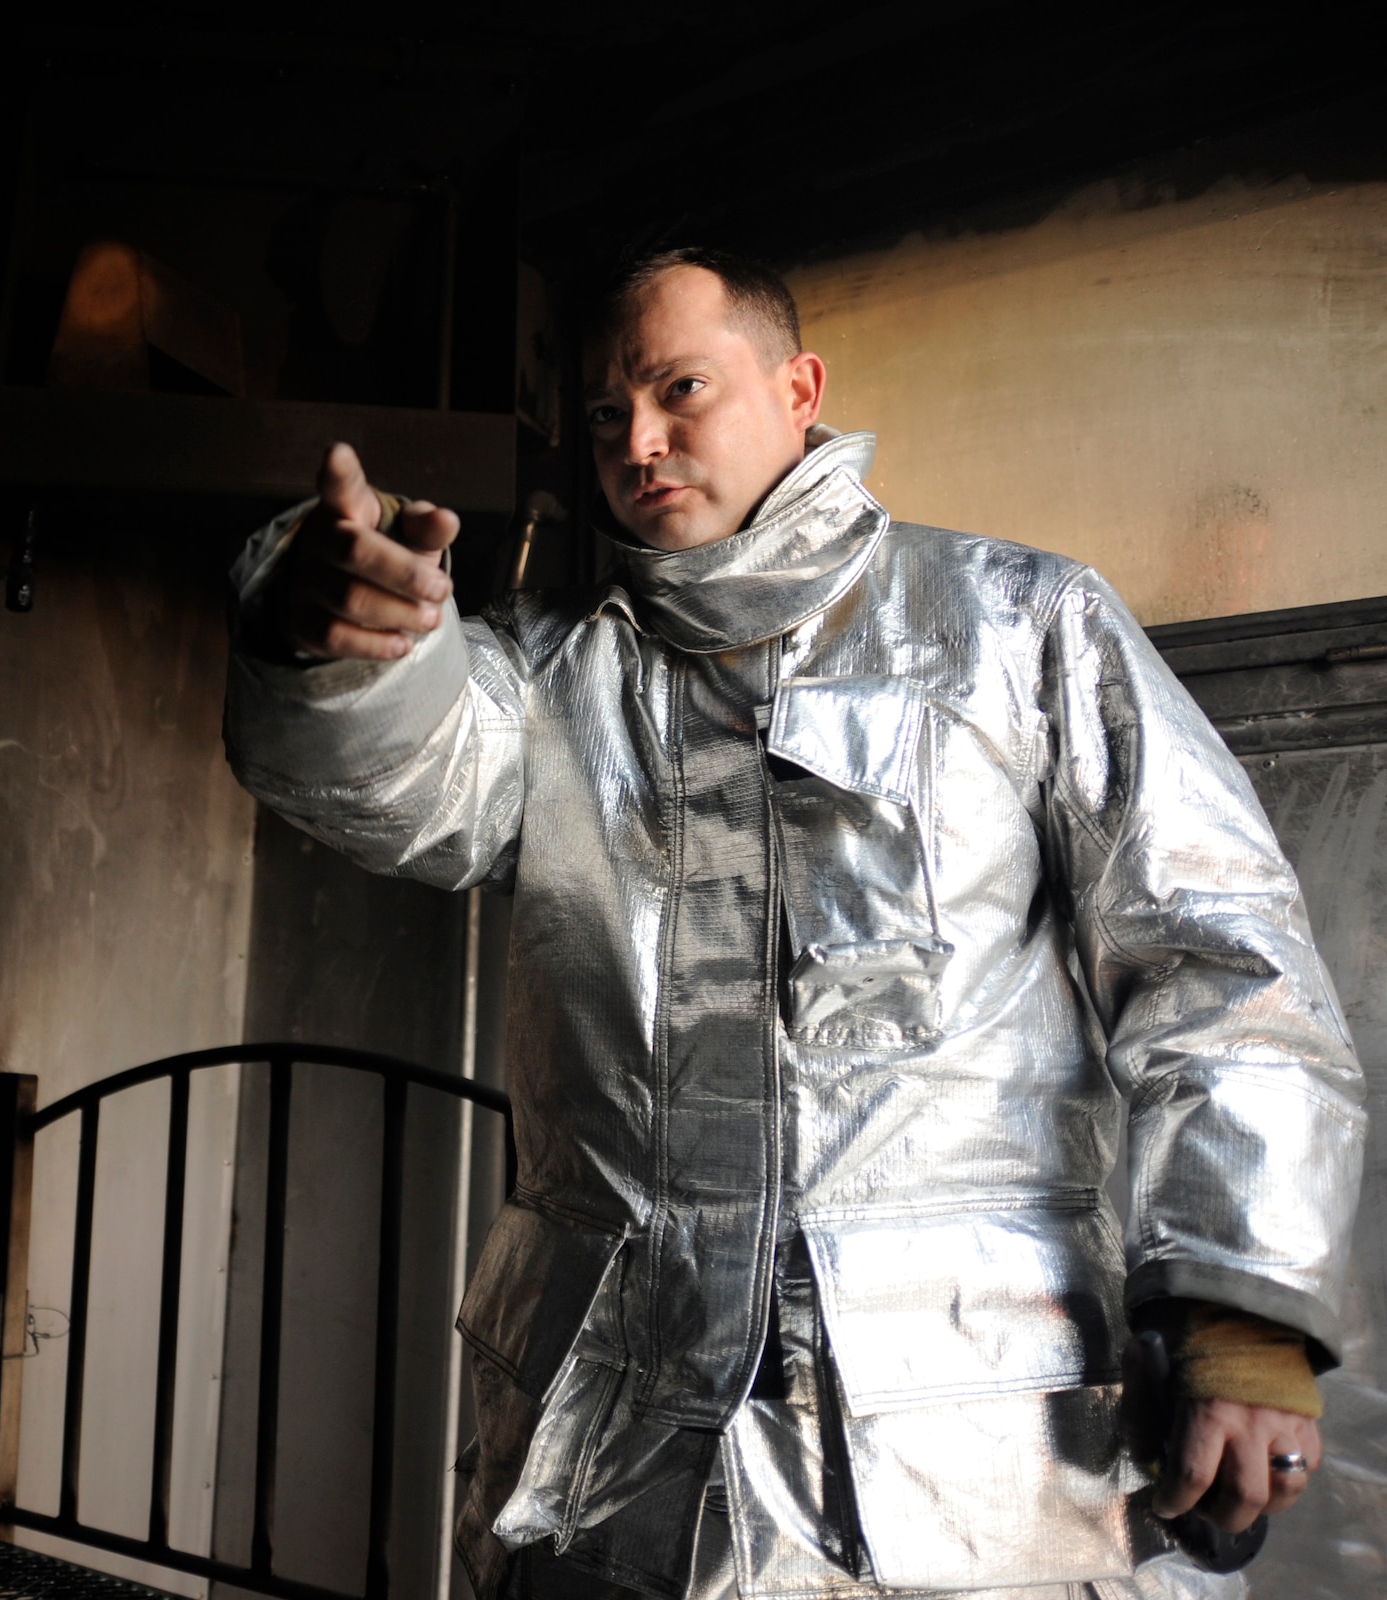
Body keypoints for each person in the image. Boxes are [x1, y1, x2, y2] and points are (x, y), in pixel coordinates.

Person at [222, 246, 1365, 1599]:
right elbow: (411, 788)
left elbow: (1220, 958)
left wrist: (1243, 1323)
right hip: (613, 1465)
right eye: (604, 414)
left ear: (799, 386)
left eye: (679, 389)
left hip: (981, 1473)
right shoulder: (547, 674)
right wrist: (344, 655)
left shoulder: (1018, 627)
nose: (637, 441)